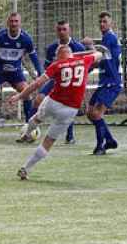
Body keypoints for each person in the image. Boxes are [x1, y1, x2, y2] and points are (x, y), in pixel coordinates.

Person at [10, 44, 104, 179]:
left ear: (58, 54)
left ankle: (27, 133)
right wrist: (78, 56)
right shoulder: (85, 61)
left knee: (37, 118)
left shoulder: (57, 65)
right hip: (71, 109)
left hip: (53, 102)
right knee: (48, 141)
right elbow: (99, 54)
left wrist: (19, 96)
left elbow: (37, 84)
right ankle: (26, 168)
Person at [26, 20, 87, 145]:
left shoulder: (78, 47)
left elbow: (85, 67)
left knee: (67, 106)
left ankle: (70, 136)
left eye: (64, 29)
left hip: (71, 83)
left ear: (69, 31)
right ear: (56, 31)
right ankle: (28, 132)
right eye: (59, 30)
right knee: (38, 100)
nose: (62, 32)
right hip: (55, 81)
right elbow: (48, 67)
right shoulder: (52, 48)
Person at [85, 11, 122, 156]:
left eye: (105, 21)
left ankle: (100, 146)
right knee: (90, 112)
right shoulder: (107, 38)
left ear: (111, 23)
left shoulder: (109, 38)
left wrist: (90, 46)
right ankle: (110, 140)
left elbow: (98, 57)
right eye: (100, 22)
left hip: (111, 82)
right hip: (104, 82)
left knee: (96, 113)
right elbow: (100, 60)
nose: (102, 24)